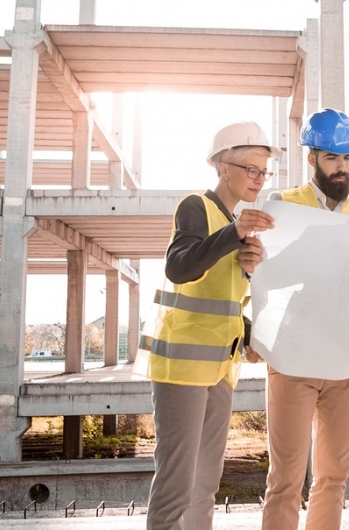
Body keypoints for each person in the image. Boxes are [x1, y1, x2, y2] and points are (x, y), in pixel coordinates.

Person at [138, 122, 279, 530]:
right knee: (175, 486)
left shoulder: (233, 224)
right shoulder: (196, 206)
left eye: (263, 171)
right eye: (250, 169)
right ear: (222, 166)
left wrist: (249, 271)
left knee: (204, 486)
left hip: (219, 369)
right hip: (181, 368)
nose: (258, 179)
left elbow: (224, 306)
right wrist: (233, 233)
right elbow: (179, 267)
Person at [257, 108, 349, 530]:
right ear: (312, 159)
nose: (342, 167)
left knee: (332, 478)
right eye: (332, 158)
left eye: (347, 159)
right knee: (285, 479)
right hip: (294, 360)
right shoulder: (283, 207)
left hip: (345, 363)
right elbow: (260, 277)